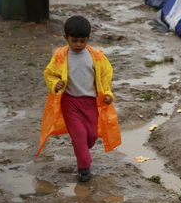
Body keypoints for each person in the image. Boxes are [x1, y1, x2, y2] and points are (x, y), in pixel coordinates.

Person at [37, 16, 121, 182]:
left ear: (88, 39)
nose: (78, 45)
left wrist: (107, 94)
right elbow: (49, 73)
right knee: (80, 135)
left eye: (82, 41)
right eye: (74, 41)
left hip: (90, 103)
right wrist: (56, 84)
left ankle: (82, 149)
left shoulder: (97, 57)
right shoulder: (61, 56)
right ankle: (84, 168)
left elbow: (105, 76)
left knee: (91, 136)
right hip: (70, 103)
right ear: (66, 38)